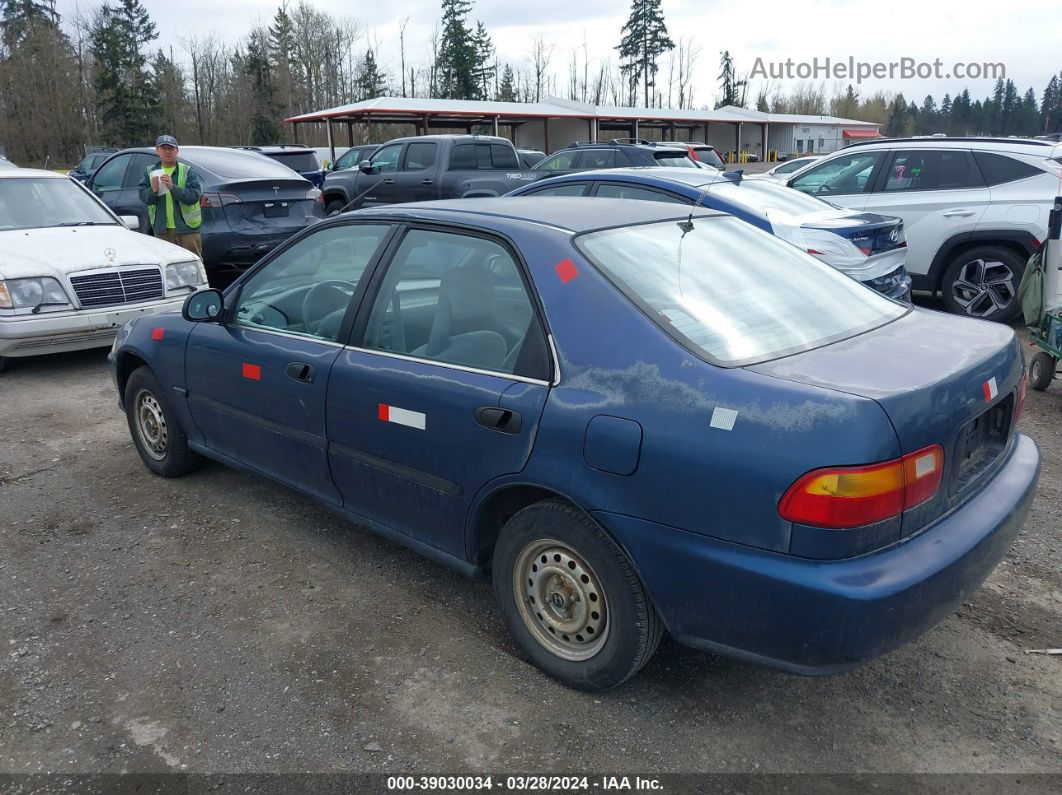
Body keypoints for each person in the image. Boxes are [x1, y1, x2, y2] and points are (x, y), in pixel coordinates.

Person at [137, 135, 203, 257]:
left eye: (171, 148)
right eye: (164, 148)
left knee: (193, 264)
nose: (167, 151)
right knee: (167, 266)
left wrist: (173, 188)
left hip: (187, 229)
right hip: (162, 230)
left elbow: (194, 196)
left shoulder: (188, 171)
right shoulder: (149, 172)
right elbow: (143, 197)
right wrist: (154, 190)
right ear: (157, 150)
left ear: (177, 151)